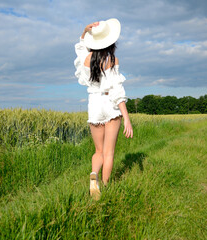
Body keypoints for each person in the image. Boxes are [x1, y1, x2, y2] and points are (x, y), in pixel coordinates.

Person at [74, 18, 133, 200]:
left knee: (98, 151)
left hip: (94, 104)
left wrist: (84, 32)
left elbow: (81, 49)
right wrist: (127, 118)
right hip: (110, 103)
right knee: (109, 152)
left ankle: (94, 174)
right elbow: (117, 89)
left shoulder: (86, 59)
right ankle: (106, 186)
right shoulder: (112, 60)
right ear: (111, 41)